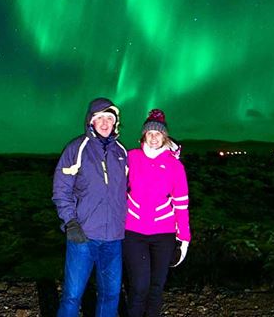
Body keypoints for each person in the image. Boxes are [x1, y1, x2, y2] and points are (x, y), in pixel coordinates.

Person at [52, 97, 129, 317]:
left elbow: (134, 186)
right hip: (83, 236)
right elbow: (61, 189)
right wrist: (71, 222)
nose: (105, 123)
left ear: (115, 122)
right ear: (90, 121)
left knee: (111, 295)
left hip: (113, 238)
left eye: (109, 118)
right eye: (99, 118)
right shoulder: (76, 148)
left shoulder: (121, 152)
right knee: (72, 296)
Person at [122, 108, 191, 317]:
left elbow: (181, 204)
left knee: (156, 288)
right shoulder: (131, 157)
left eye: (158, 133)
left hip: (164, 234)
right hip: (134, 232)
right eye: (150, 133)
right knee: (139, 286)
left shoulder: (175, 166)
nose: (153, 137)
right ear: (143, 136)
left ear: (165, 136)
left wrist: (184, 238)